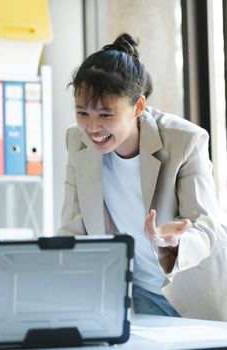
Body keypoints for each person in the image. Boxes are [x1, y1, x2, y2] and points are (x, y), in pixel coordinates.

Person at [60, 33, 227, 319]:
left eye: (105, 114)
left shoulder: (184, 141)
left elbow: (205, 226)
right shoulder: (78, 143)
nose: (92, 127)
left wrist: (174, 243)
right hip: (136, 293)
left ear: (138, 107)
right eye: (82, 112)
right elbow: (74, 230)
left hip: (193, 287)